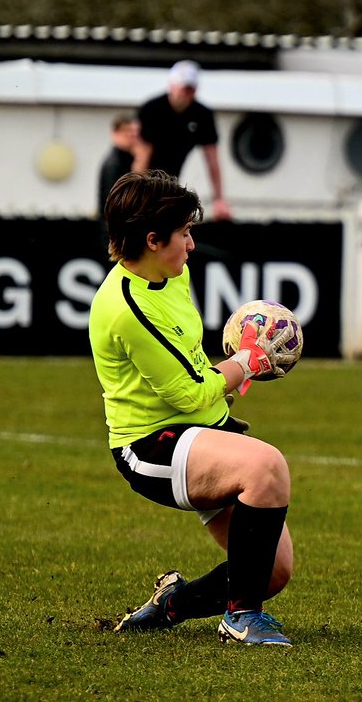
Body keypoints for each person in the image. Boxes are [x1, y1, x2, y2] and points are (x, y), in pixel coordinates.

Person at [89, 170, 296, 645]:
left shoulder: (170, 274)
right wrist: (246, 362)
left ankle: (172, 605)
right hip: (150, 446)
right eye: (183, 233)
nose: (191, 244)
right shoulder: (126, 307)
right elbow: (189, 394)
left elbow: (193, 366)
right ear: (152, 240)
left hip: (200, 430)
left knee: (272, 571)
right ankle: (241, 620)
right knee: (266, 466)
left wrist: (232, 367)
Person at [134, 60, 232, 221]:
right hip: (139, 175)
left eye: (190, 90)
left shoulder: (202, 115)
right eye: (183, 89)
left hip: (170, 181)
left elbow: (212, 160)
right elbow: (142, 156)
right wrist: (137, 194)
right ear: (172, 86)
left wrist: (219, 199)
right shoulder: (152, 110)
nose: (186, 94)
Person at [97, 114, 138, 219]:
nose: (131, 135)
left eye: (134, 131)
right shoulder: (115, 163)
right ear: (115, 133)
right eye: (127, 131)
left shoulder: (123, 160)